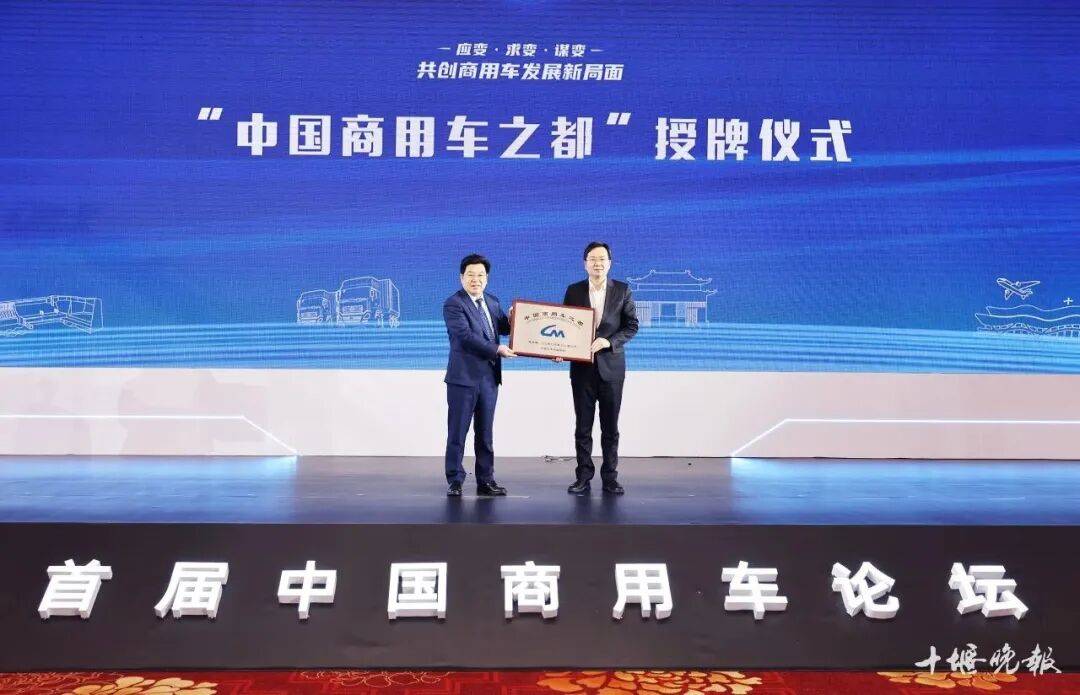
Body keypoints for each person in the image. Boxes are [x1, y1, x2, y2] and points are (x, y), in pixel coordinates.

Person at [562, 241, 638, 495]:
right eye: (593, 259)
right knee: (583, 427)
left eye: (602, 259)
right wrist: (559, 350)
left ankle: (610, 478)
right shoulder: (574, 290)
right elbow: (565, 328)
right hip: (581, 369)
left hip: (612, 369)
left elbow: (631, 326)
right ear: (585, 264)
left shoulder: (623, 290)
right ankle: (583, 477)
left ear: (610, 263)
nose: (598, 263)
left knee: (610, 428)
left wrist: (609, 341)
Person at [443, 253, 515, 497]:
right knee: (457, 433)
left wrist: (517, 318)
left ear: (487, 278)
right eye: (471, 275)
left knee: (485, 434)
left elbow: (503, 327)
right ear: (461, 277)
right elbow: (465, 336)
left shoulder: (492, 301)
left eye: (480, 275)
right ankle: (455, 480)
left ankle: (486, 480)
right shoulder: (454, 304)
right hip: (463, 379)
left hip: (489, 379)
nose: (476, 279)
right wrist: (496, 349)